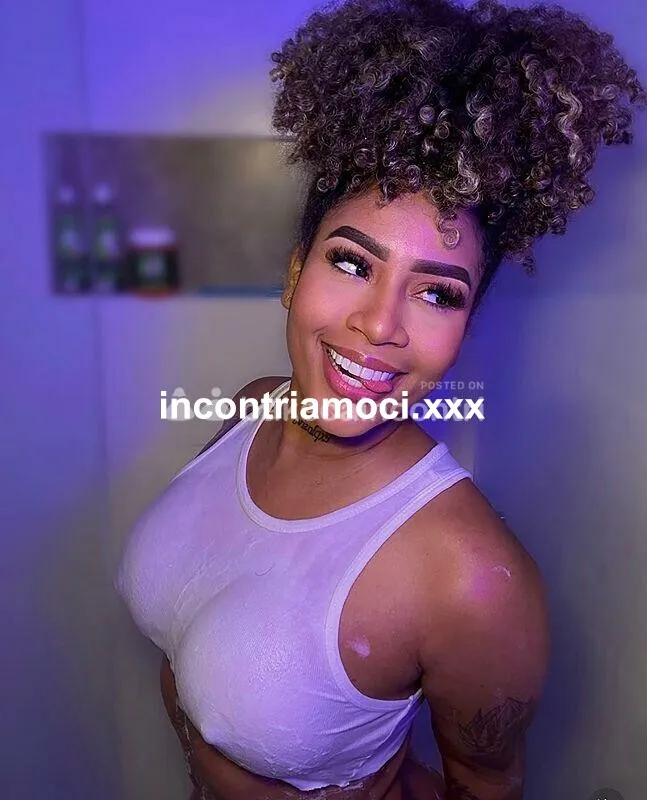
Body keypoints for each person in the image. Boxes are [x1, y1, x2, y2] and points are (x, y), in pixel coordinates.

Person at [115, 0, 645, 798]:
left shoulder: (472, 580)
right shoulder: (251, 409)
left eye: (437, 294)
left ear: (466, 324)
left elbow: (484, 786)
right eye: (352, 263)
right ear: (295, 272)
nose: (378, 326)